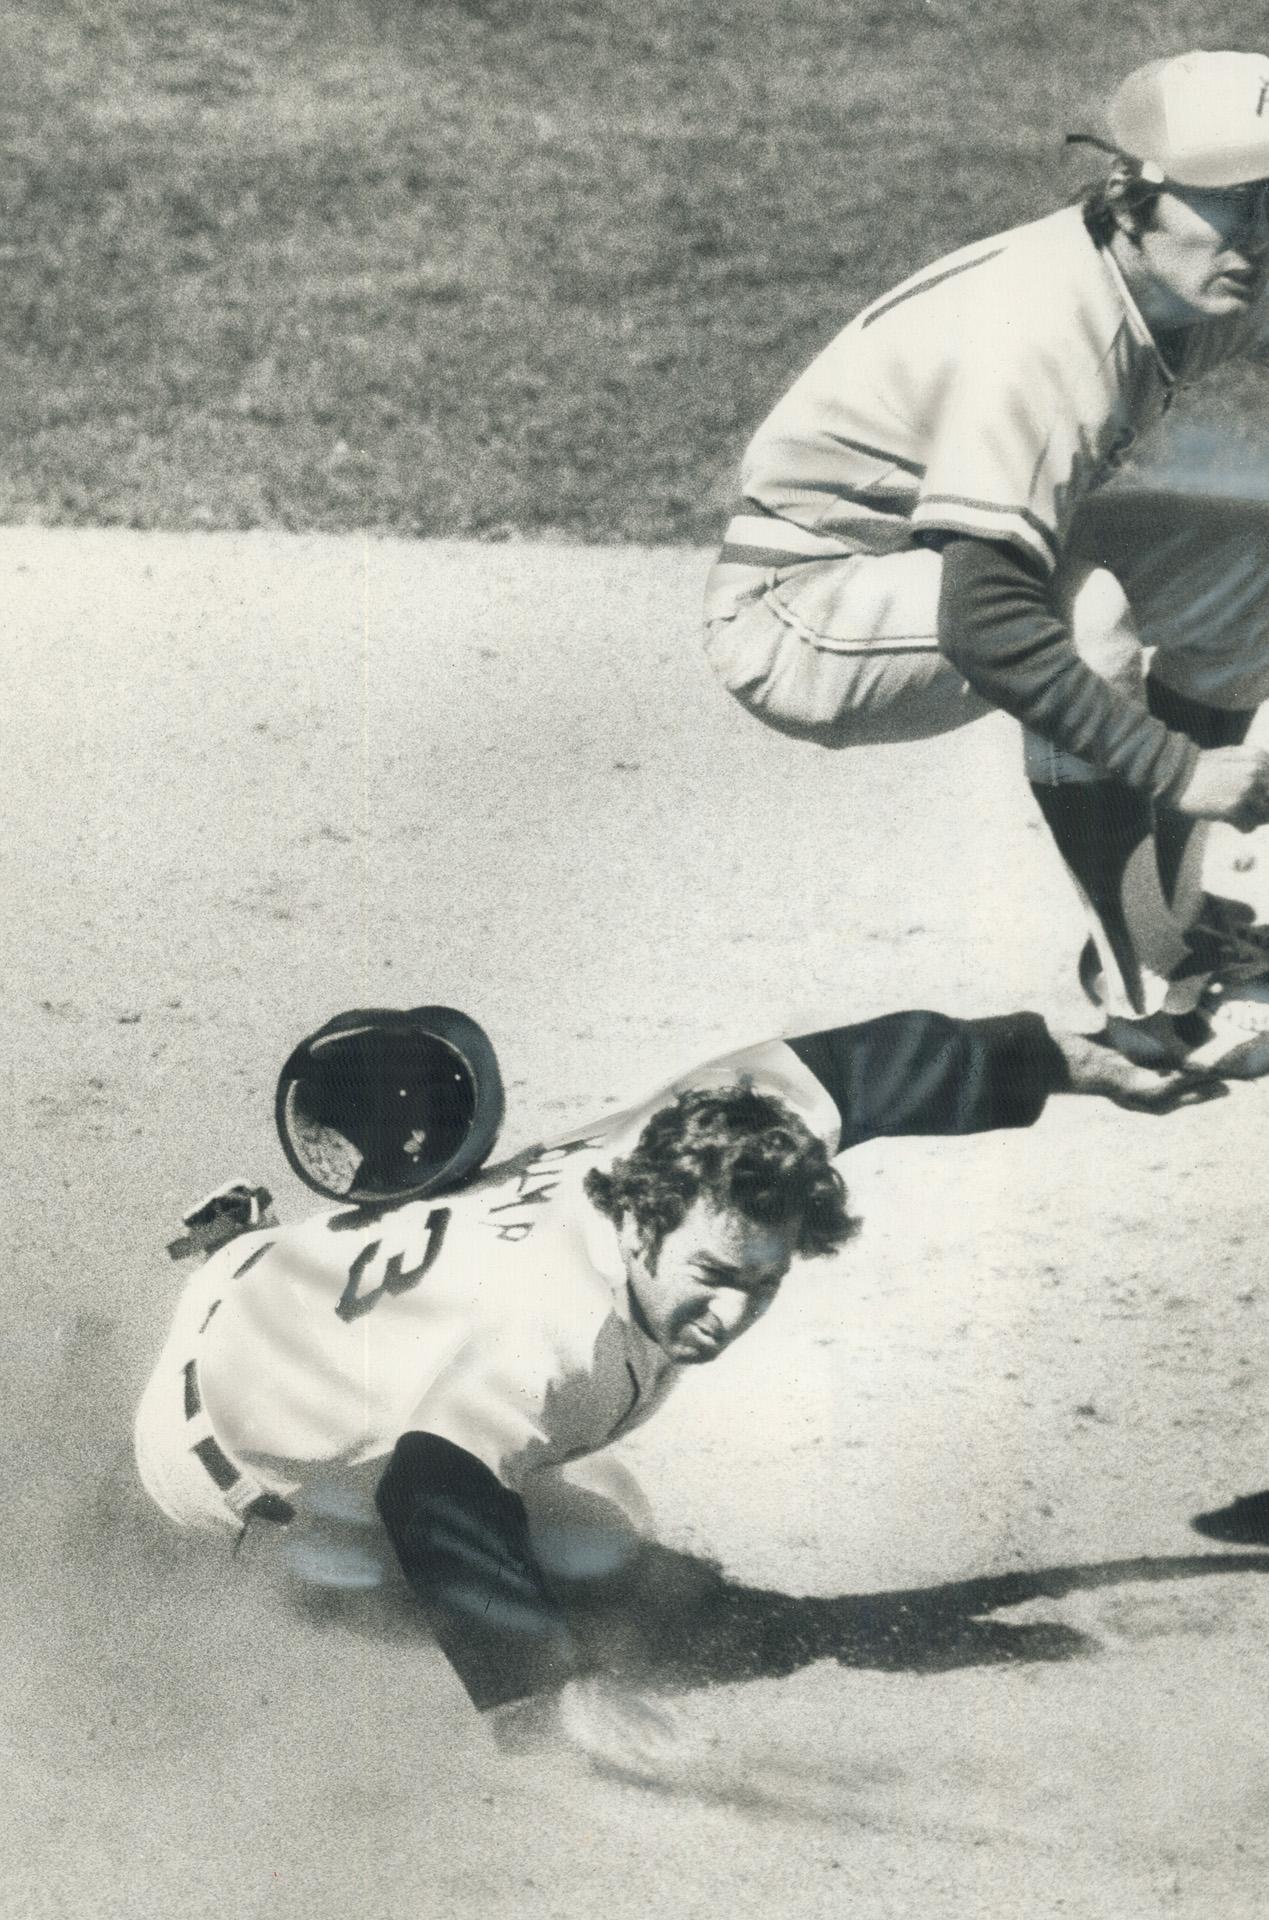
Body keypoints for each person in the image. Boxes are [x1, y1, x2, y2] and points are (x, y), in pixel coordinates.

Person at [134, 998, 1214, 1778]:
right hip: (208, 1464)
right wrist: (547, 1698)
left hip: (290, 1287)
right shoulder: (559, 1334)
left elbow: (865, 1069)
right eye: (713, 1278)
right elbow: (431, 1495)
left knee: (586, 1527)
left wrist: (1078, 1062)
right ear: (647, 1222)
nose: (733, 1316)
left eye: (764, 1283)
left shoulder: (672, 1144)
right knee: (606, 1562)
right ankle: (246, 1581)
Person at [703, 50, 1269, 1069]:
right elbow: (987, 620)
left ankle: (1171, 914)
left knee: (1254, 564)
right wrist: (1177, 767)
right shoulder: (1049, 333)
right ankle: (1149, 988)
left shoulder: (1174, 277)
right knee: (1078, 615)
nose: (1258, 235)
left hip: (924, 568)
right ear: (1132, 194)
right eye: (1235, 203)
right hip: (807, 612)